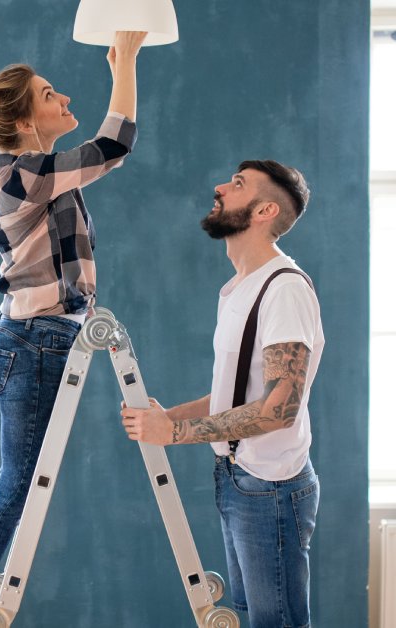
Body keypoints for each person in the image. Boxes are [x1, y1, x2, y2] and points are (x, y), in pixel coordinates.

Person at [0, 31, 147, 628]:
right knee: (20, 477)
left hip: (48, 340)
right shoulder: (19, 177)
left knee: (27, 476)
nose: (63, 99)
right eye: (50, 95)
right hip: (32, 343)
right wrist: (126, 63)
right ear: (27, 123)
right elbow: (113, 145)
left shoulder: (46, 177)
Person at [119, 160, 323, 628]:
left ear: (265, 210)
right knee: (256, 617)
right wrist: (169, 418)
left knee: (277, 624)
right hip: (237, 479)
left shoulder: (284, 289)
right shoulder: (240, 288)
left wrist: (174, 433)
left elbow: (279, 410)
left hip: (270, 486)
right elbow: (234, 394)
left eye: (237, 185)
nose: (219, 188)